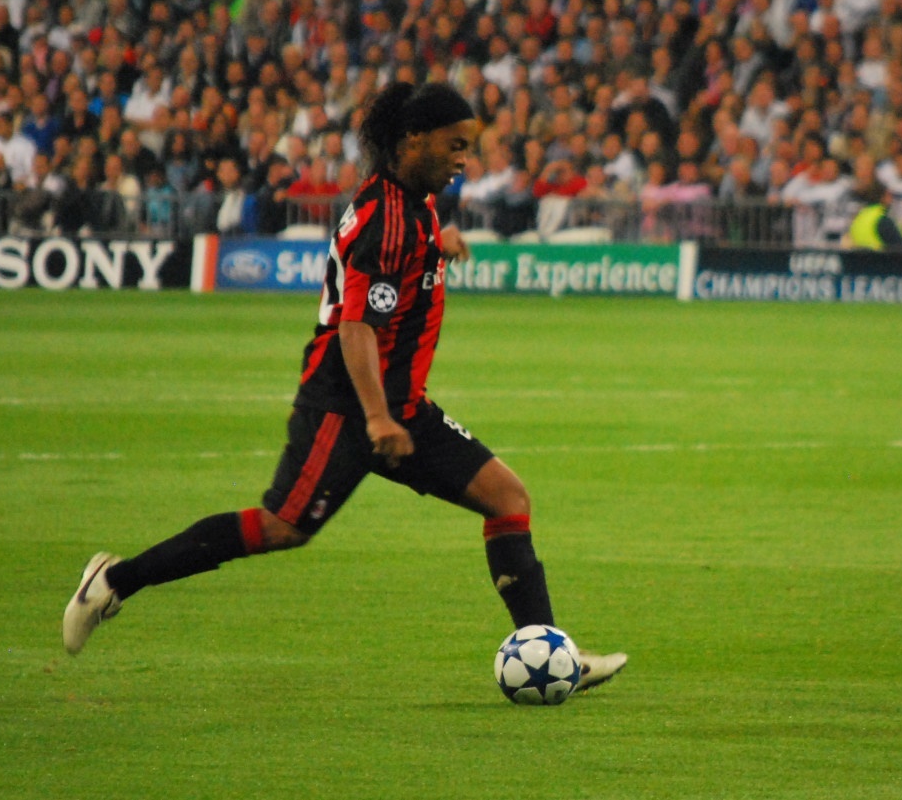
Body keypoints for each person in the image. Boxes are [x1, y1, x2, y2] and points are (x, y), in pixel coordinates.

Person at [62, 81, 627, 693]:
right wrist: (379, 418)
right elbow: (356, 326)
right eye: (455, 145)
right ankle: (116, 582)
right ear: (414, 140)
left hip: (401, 406)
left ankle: (550, 653)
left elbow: (398, 265)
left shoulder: (412, 201)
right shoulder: (387, 216)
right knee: (284, 527)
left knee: (508, 499)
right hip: (348, 406)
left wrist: (438, 245)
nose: (465, 159)